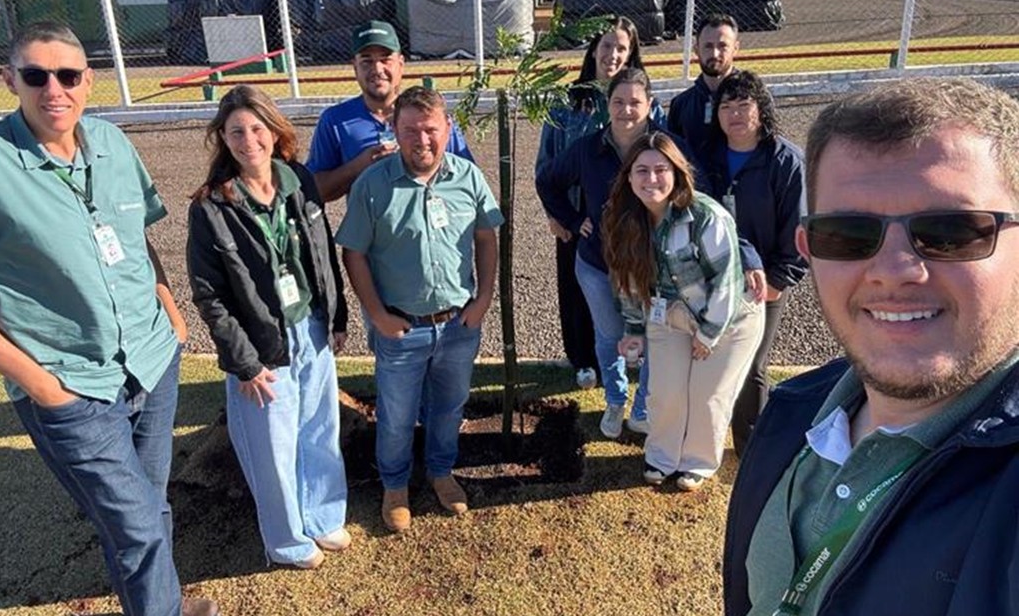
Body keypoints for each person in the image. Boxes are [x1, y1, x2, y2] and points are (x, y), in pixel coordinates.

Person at [0, 22, 217, 616]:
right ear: (11, 81)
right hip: (70, 386)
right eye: (35, 75)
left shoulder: (111, 143)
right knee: (136, 525)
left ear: (89, 81)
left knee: (146, 511)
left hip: (152, 363)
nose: (53, 88)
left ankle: (161, 606)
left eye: (68, 75)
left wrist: (169, 308)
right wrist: (40, 385)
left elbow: (135, 237)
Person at [723, 78, 1019, 616]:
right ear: (809, 249)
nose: (894, 272)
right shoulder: (794, 413)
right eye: (849, 234)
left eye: (951, 232)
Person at [186, 85, 349, 570]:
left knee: (320, 428)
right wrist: (244, 363)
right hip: (260, 346)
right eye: (236, 131)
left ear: (275, 133)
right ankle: (287, 539)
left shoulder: (299, 180)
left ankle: (322, 515)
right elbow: (209, 295)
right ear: (223, 138)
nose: (248, 139)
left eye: (257, 128)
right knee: (272, 446)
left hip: (311, 328)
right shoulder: (211, 207)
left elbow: (321, 254)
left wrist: (336, 318)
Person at [336, 86, 501, 533]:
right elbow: (354, 254)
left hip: (458, 324)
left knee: (449, 406)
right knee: (396, 413)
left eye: (430, 130)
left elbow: (487, 237)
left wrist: (483, 298)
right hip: (401, 330)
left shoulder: (467, 177)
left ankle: (441, 472)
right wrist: (377, 315)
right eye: (410, 130)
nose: (421, 140)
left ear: (448, 129)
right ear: (395, 130)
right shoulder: (373, 184)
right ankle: (395, 485)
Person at [606, 133, 765, 492]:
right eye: (641, 171)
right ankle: (662, 456)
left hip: (729, 318)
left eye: (660, 170)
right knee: (665, 391)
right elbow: (627, 281)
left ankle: (698, 461)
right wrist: (633, 329)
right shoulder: (623, 219)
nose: (651, 179)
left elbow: (725, 282)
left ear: (677, 173)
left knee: (708, 395)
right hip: (669, 315)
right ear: (628, 177)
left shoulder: (706, 215)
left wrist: (708, 335)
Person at [536, 68, 674, 439]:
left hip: (652, 267)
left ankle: (643, 404)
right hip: (597, 265)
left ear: (650, 106)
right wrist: (570, 216)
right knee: (609, 335)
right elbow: (547, 180)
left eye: (635, 102)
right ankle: (615, 400)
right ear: (606, 105)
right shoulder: (588, 149)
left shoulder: (666, 149)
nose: (626, 110)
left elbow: (694, 189)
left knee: (654, 336)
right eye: (618, 102)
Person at [534, 16, 648, 392]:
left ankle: (626, 356)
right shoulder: (567, 104)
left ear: (631, 55)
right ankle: (583, 359)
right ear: (593, 50)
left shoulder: (643, 104)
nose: (612, 55)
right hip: (577, 220)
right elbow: (547, 164)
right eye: (606, 46)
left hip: (630, 222)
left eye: (621, 48)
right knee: (578, 290)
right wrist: (558, 215)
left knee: (629, 289)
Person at [699, 70, 808, 455]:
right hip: (714, 280)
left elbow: (798, 231)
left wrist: (778, 279)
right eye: (726, 106)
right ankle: (705, 438)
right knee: (711, 358)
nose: (735, 114)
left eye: (744, 105)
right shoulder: (706, 158)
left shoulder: (786, 162)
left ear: (761, 110)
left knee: (752, 367)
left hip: (764, 287)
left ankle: (750, 448)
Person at [306, 19, 473, 202]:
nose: (377, 69)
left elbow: (469, 182)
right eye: (367, 61)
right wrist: (358, 167)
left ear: (401, 64)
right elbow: (314, 191)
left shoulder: (433, 117)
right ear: (355, 67)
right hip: (371, 228)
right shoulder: (335, 120)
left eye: (385, 59)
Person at [667, 13, 741, 153]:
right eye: (708, 46)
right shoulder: (681, 105)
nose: (714, 54)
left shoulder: (754, 100)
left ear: (735, 49)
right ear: (696, 50)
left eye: (722, 46)